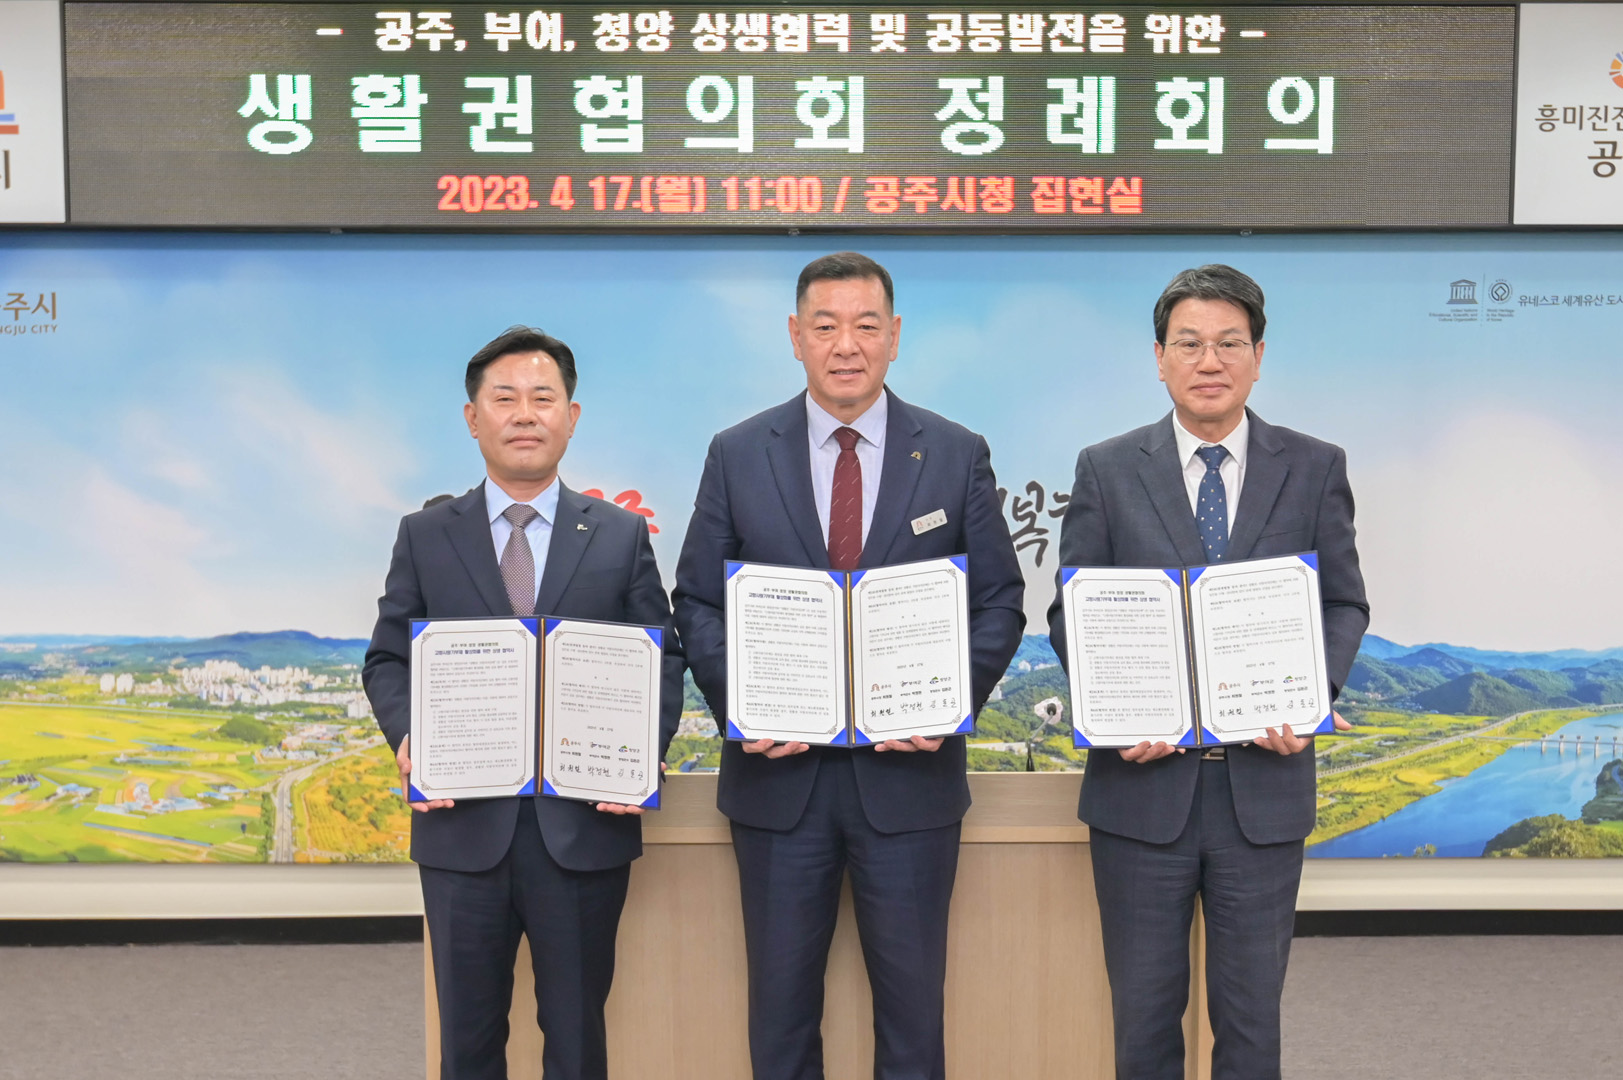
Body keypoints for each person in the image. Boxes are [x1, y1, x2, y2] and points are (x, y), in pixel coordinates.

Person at [673, 252, 1025, 1080]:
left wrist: (946, 703)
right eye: (825, 326)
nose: (846, 345)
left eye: (866, 325)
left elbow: (999, 600)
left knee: (912, 1016)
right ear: (795, 336)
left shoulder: (953, 452)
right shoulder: (736, 452)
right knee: (780, 1015)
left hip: (909, 781)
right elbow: (696, 601)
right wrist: (743, 708)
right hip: (777, 782)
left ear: (894, 336)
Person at [1046, 264, 1368, 1080]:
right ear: (1158, 358)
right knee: (1143, 1025)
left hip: (1262, 792)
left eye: (1229, 343)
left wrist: (1311, 694)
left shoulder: (1314, 466)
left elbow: (1341, 603)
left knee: (1251, 1027)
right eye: (1188, 343)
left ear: (1258, 357)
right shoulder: (1106, 468)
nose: (1209, 360)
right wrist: (1116, 711)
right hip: (1139, 795)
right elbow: (1071, 611)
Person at [363, 325, 685, 1080]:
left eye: (543, 397)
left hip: (581, 827)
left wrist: (642, 749)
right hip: (461, 828)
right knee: (467, 1043)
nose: (524, 414)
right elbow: (387, 659)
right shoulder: (425, 534)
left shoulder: (618, 535)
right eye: (504, 398)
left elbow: (661, 657)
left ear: (572, 417)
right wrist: (410, 736)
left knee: (576, 1039)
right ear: (472, 418)